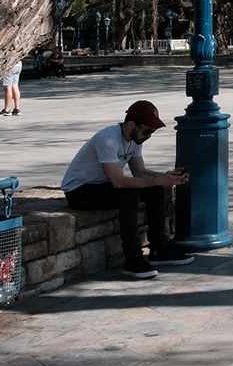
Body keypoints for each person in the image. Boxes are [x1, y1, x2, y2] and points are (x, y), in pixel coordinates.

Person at [60, 100, 193, 278]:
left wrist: (167, 176)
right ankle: (133, 258)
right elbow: (118, 182)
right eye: (146, 131)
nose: (148, 136)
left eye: (152, 132)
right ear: (131, 124)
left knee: (156, 189)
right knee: (129, 196)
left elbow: (140, 171)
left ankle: (159, 248)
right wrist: (158, 180)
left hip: (101, 184)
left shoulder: (135, 140)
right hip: (79, 191)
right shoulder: (107, 139)